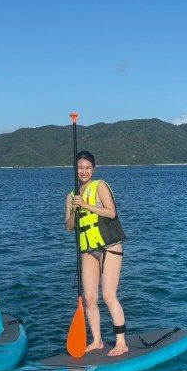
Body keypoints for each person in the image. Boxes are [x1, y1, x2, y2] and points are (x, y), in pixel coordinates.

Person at [65, 150, 128, 356]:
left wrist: (85, 204)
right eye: (80, 168)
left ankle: (121, 342)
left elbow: (111, 212)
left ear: (94, 169)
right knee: (90, 298)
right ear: (75, 169)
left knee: (109, 295)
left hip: (109, 246)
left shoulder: (100, 186)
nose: (83, 171)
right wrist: (75, 210)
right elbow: (68, 226)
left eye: (87, 168)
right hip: (89, 250)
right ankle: (98, 341)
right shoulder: (71, 196)